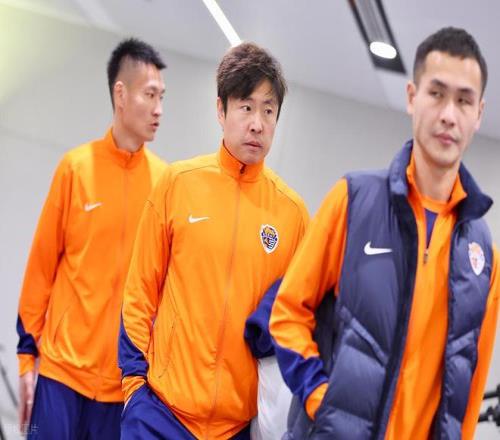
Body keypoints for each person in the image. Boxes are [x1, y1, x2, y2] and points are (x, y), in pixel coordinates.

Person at [270, 26, 499, 439]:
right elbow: (288, 313)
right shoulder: (354, 200)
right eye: (436, 93)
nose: (449, 114)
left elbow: (471, 383)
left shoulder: (483, 254)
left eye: (464, 100)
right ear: (412, 97)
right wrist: (321, 400)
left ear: (479, 113)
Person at [119, 42, 309, 439]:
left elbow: (301, 320)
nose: (257, 123)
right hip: (159, 414)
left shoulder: (293, 215)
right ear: (221, 110)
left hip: (234, 428)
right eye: (246, 107)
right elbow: (139, 293)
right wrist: (134, 388)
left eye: (268, 110)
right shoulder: (177, 184)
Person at [16, 38, 167, 439]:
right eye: (150, 95)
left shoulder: (164, 185)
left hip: (122, 386)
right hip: (61, 375)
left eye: (162, 97)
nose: (159, 109)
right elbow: (41, 267)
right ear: (121, 94)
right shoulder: (75, 169)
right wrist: (27, 357)